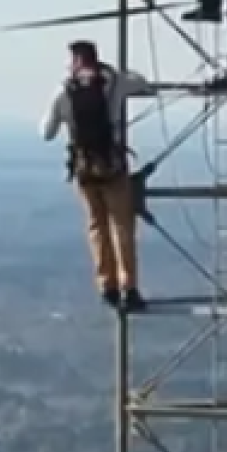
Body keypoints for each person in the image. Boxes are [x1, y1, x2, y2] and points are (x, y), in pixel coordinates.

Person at [42, 40, 152, 312]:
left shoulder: (64, 92)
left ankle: (108, 285)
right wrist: (114, 74)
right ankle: (129, 288)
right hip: (112, 167)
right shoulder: (114, 83)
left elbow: (46, 132)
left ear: (77, 61)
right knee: (122, 227)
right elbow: (143, 83)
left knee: (96, 226)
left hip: (85, 170)